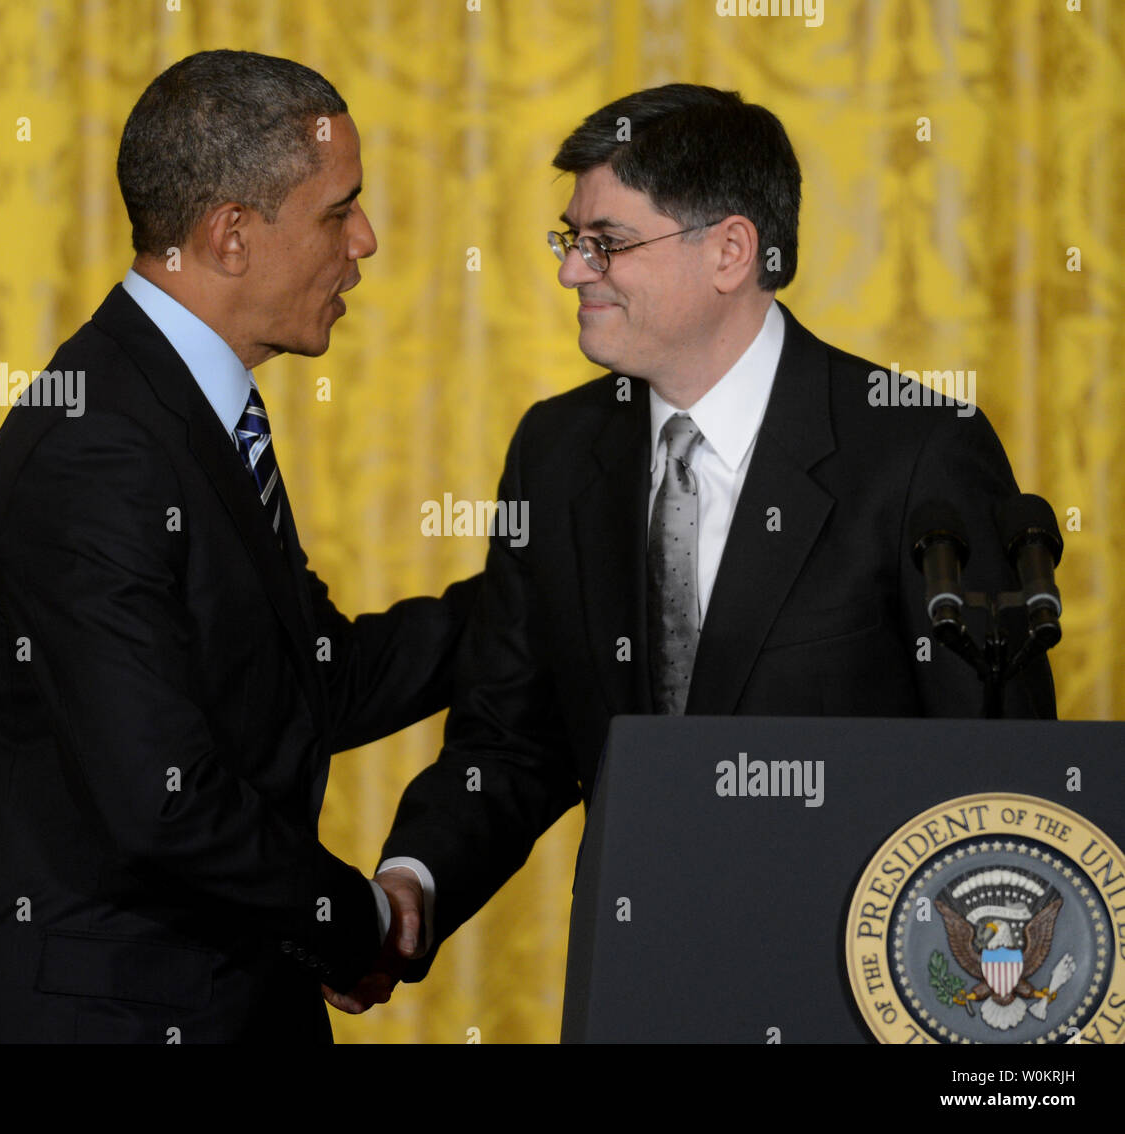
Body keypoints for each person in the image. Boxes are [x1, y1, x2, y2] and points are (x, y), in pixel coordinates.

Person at [330, 83, 1057, 1012]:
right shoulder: (557, 453)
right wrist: (413, 888)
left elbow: (998, 787)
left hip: (858, 996)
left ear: (731, 250)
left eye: (608, 243)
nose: (571, 271)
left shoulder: (917, 451)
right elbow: (511, 740)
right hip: (635, 986)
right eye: (570, 239)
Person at [0, 50, 477, 1044]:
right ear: (230, 236)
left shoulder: (174, 413)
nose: (367, 241)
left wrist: (543, 591)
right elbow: (162, 800)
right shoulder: (101, 445)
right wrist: (360, 923)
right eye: (340, 210)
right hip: (96, 1016)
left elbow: (309, 679)